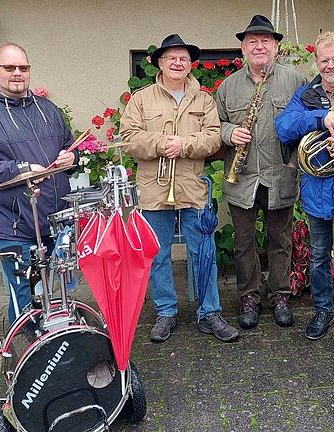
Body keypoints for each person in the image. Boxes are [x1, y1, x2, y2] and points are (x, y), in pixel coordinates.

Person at [122, 34, 239, 343]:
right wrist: (162, 144)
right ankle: (165, 311)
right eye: (171, 58)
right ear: (160, 63)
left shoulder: (203, 99)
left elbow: (214, 138)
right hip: (153, 189)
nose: (177, 62)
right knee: (157, 254)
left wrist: (183, 144)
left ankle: (209, 311)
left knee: (205, 252)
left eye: (183, 58)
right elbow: (129, 138)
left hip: (192, 188)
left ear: (190, 64)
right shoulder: (142, 98)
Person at [0, 42, 75, 323]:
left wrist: (71, 157)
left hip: (53, 220)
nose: (17, 73)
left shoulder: (47, 108)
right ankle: (22, 355)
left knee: (56, 296)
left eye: (23, 67)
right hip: (13, 224)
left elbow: (70, 146)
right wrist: (19, 170)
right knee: (26, 296)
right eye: (9, 67)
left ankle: (50, 353)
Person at [216, 15, 306, 330]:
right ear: (243, 47)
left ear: (276, 46)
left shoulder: (295, 81)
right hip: (241, 179)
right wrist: (230, 133)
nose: (259, 46)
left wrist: (296, 161)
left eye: (265, 40)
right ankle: (249, 297)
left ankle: (280, 295)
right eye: (252, 41)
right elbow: (215, 126)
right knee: (244, 242)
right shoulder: (228, 86)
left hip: (280, 175)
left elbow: (306, 125)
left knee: (281, 240)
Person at [275, 31, 334, 340]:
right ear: (317, 62)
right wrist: (322, 118)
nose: (330, 66)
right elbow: (283, 128)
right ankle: (324, 310)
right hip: (316, 194)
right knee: (320, 258)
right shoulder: (307, 95)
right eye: (324, 60)